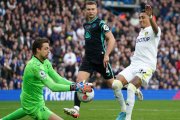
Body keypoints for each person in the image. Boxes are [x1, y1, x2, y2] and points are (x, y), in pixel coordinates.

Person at [1, 38, 92, 120]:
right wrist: (76, 87)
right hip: (33, 105)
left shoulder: (46, 62)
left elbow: (59, 79)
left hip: (34, 101)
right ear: (38, 50)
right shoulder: (35, 66)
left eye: (49, 48)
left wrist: (79, 85)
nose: (49, 51)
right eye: (46, 49)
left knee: (24, 110)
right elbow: (53, 86)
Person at [63, 1, 116, 118]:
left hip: (101, 59)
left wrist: (107, 55)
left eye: (93, 9)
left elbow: (111, 39)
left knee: (114, 85)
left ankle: (132, 88)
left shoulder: (101, 24)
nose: (91, 11)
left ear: (96, 10)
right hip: (88, 59)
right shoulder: (86, 25)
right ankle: (76, 109)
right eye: (88, 9)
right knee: (79, 82)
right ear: (85, 11)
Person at [112, 4, 161, 120]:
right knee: (115, 85)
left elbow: (155, 29)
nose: (140, 20)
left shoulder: (155, 31)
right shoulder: (140, 33)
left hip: (147, 66)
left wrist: (150, 17)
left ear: (149, 18)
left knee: (130, 88)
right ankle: (123, 110)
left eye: (143, 17)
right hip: (134, 65)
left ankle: (127, 118)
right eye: (139, 18)